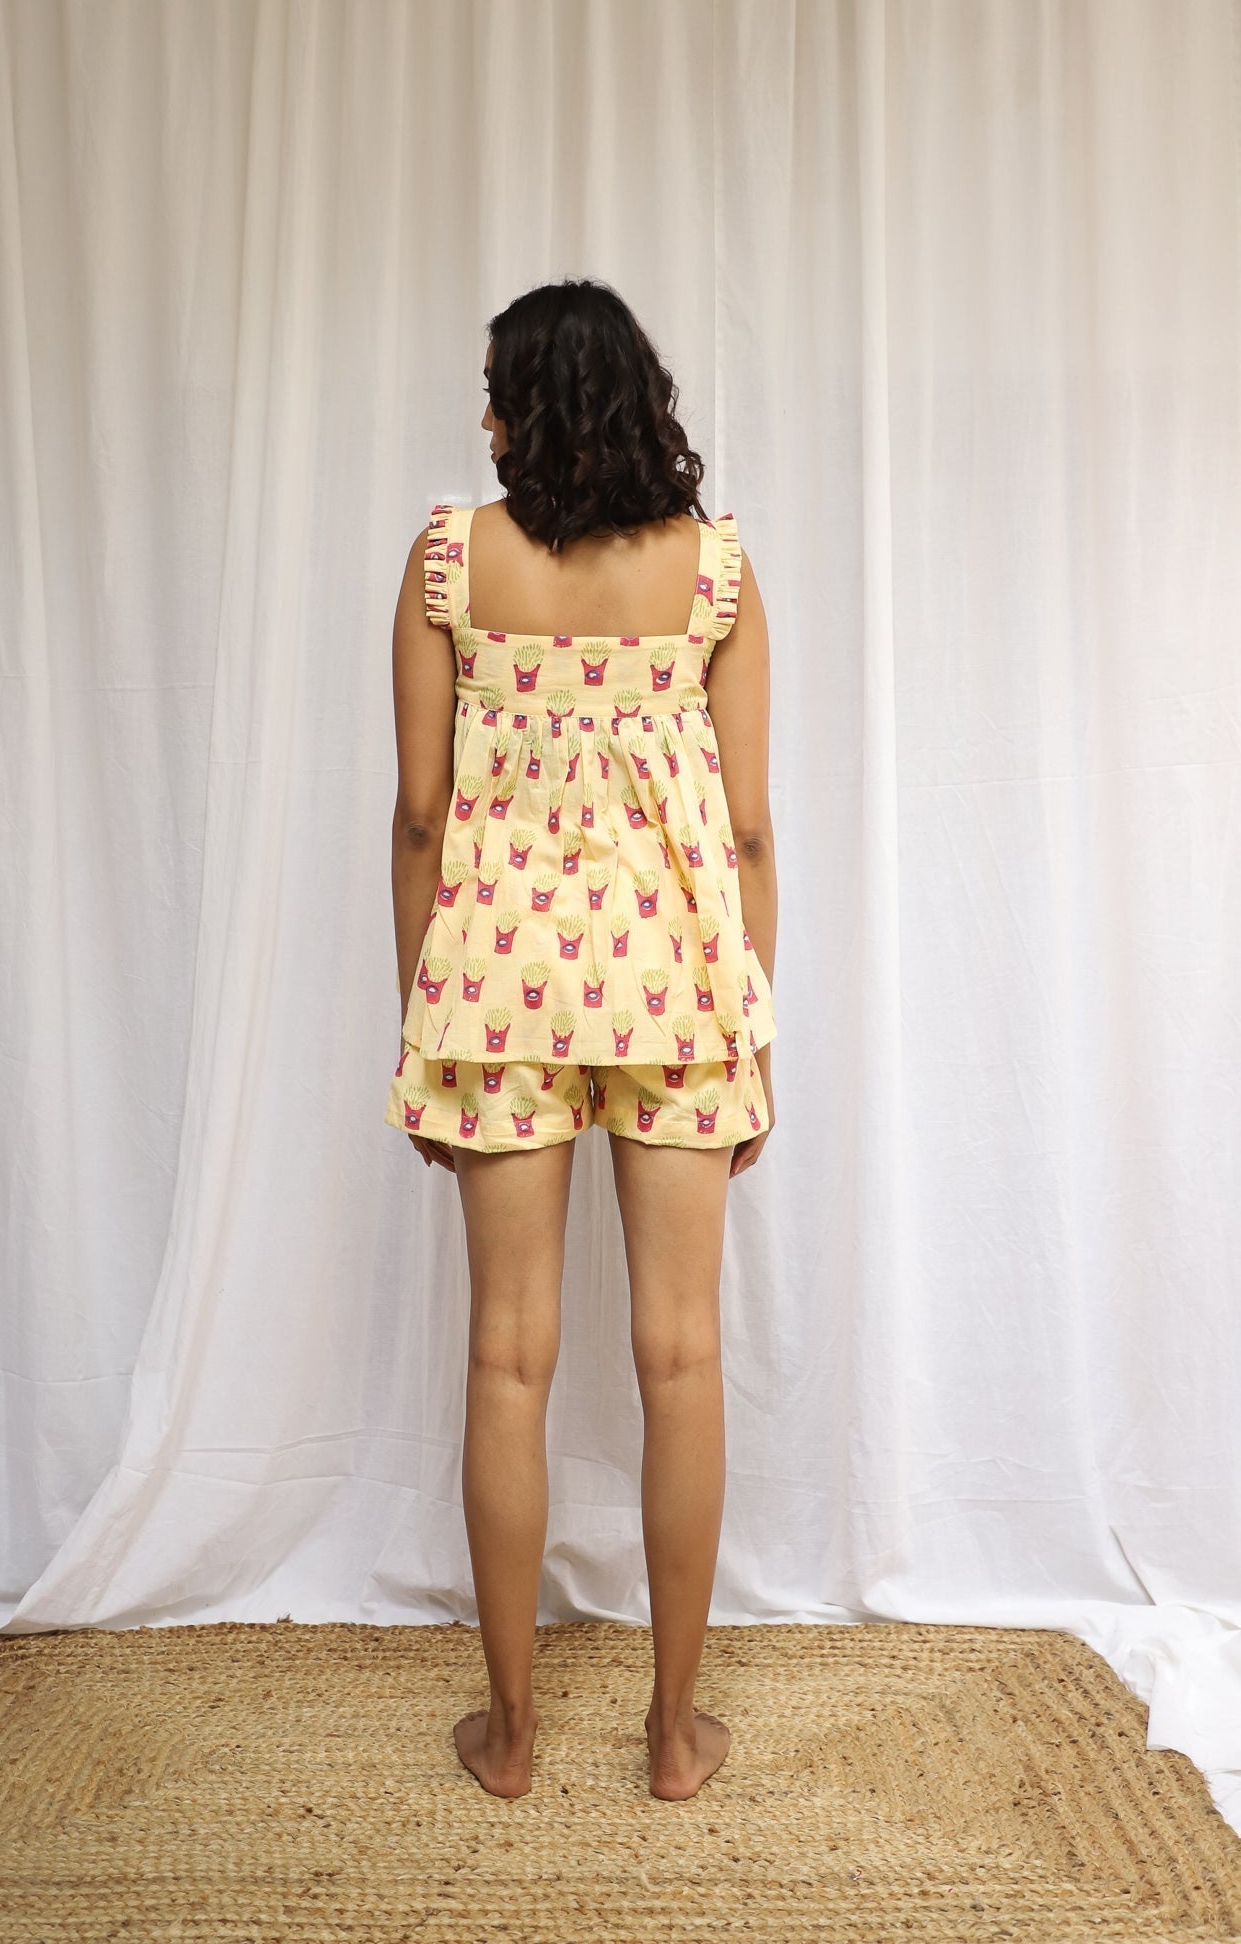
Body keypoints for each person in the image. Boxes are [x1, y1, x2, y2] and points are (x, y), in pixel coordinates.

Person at [384, 279, 778, 1802]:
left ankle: (511, 1735)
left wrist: (421, 1015)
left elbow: (421, 815)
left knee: (506, 1355)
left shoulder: (447, 561)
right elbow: (747, 830)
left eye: (495, 393)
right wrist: (757, 1031)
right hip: (679, 985)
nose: (483, 420)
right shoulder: (716, 571)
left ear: (526, 409)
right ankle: (673, 1736)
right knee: (683, 1356)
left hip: (496, 987)